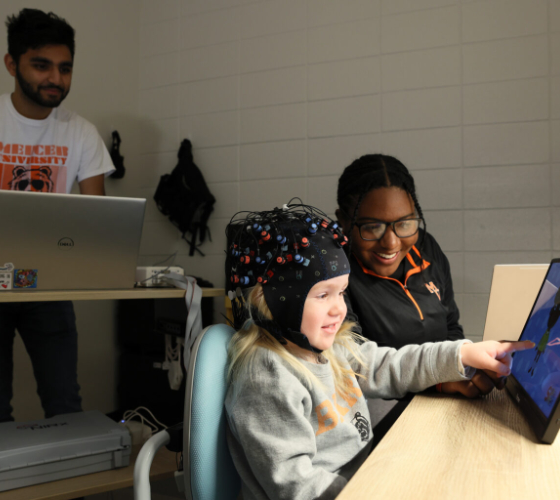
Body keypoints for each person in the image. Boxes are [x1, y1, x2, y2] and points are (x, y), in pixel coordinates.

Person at [224, 203, 534, 500]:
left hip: (368, 476)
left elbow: (389, 365)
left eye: (342, 292)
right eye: (322, 295)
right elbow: (296, 485)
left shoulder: (334, 346)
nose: (339, 309)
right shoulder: (268, 377)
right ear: (271, 300)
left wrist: (462, 354)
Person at [0, 9, 115, 422]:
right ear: (12, 64)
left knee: (64, 401)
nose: (55, 79)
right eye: (41, 65)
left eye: (65, 68)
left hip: (48, 285)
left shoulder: (80, 131)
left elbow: (97, 221)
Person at [336, 154, 500, 399]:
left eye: (404, 224)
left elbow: (451, 328)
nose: (391, 243)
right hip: (377, 416)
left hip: (436, 401)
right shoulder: (333, 275)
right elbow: (352, 366)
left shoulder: (426, 248)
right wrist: (438, 382)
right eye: (372, 227)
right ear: (343, 223)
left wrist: (461, 370)